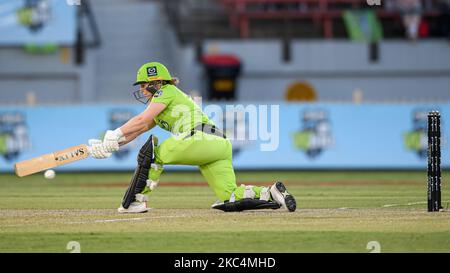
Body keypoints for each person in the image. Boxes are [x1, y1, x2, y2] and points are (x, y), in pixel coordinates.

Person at [88, 62, 297, 213]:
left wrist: (114, 134)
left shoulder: (166, 90)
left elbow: (142, 120)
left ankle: (136, 202)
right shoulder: (163, 103)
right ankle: (271, 192)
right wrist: (110, 146)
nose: (142, 90)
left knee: (152, 153)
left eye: (144, 85)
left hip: (201, 138)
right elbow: (139, 128)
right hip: (219, 145)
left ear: (156, 82)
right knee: (230, 196)